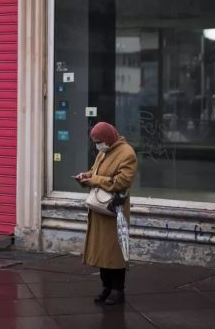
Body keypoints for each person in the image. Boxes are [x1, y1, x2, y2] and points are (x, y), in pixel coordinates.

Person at [74, 122, 137, 305]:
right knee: (102, 251)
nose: (98, 145)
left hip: (114, 210)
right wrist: (85, 177)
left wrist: (95, 179)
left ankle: (118, 290)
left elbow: (123, 181)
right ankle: (106, 287)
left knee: (114, 252)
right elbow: (95, 172)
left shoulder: (127, 153)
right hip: (99, 209)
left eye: (99, 141)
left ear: (108, 138)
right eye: (95, 142)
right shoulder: (104, 152)